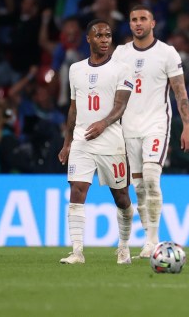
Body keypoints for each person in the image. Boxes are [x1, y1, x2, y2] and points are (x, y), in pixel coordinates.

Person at [111, 5, 189, 258]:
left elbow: (180, 91)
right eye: (134, 19)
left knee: (150, 176)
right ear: (130, 24)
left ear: (153, 23)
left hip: (156, 124)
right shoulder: (120, 53)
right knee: (138, 186)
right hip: (127, 127)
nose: (138, 23)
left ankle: (152, 240)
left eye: (143, 19)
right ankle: (148, 237)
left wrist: (188, 126)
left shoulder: (166, 53)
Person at [57, 20, 135, 265]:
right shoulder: (75, 69)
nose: (104, 39)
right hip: (82, 140)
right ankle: (77, 251)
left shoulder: (122, 68)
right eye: (99, 35)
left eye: (108, 35)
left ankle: (123, 247)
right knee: (77, 191)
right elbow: (73, 108)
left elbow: (121, 106)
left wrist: (103, 123)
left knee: (121, 197)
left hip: (111, 141)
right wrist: (67, 142)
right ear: (88, 39)